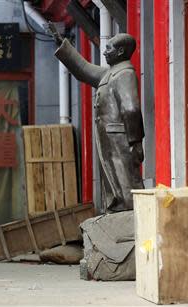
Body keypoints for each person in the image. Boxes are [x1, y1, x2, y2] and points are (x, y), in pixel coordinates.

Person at [50, 27, 145, 212]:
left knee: (124, 179)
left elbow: (131, 108)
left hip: (120, 138)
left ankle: (128, 216)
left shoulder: (124, 74)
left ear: (120, 51)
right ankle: (117, 210)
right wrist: (62, 43)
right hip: (110, 139)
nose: (104, 51)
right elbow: (83, 69)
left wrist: (135, 140)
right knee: (113, 179)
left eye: (108, 48)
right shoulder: (109, 73)